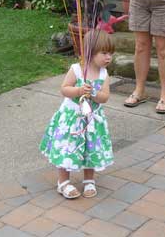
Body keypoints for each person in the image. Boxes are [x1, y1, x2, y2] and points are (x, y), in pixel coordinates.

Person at [40, 30, 114, 199]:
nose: (108, 57)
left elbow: (105, 97)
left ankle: (89, 180)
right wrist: (79, 90)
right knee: (68, 147)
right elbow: (64, 89)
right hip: (72, 118)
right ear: (90, 52)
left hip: (92, 119)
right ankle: (63, 182)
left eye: (110, 53)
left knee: (91, 148)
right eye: (104, 53)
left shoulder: (103, 74)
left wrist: (94, 94)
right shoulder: (77, 70)